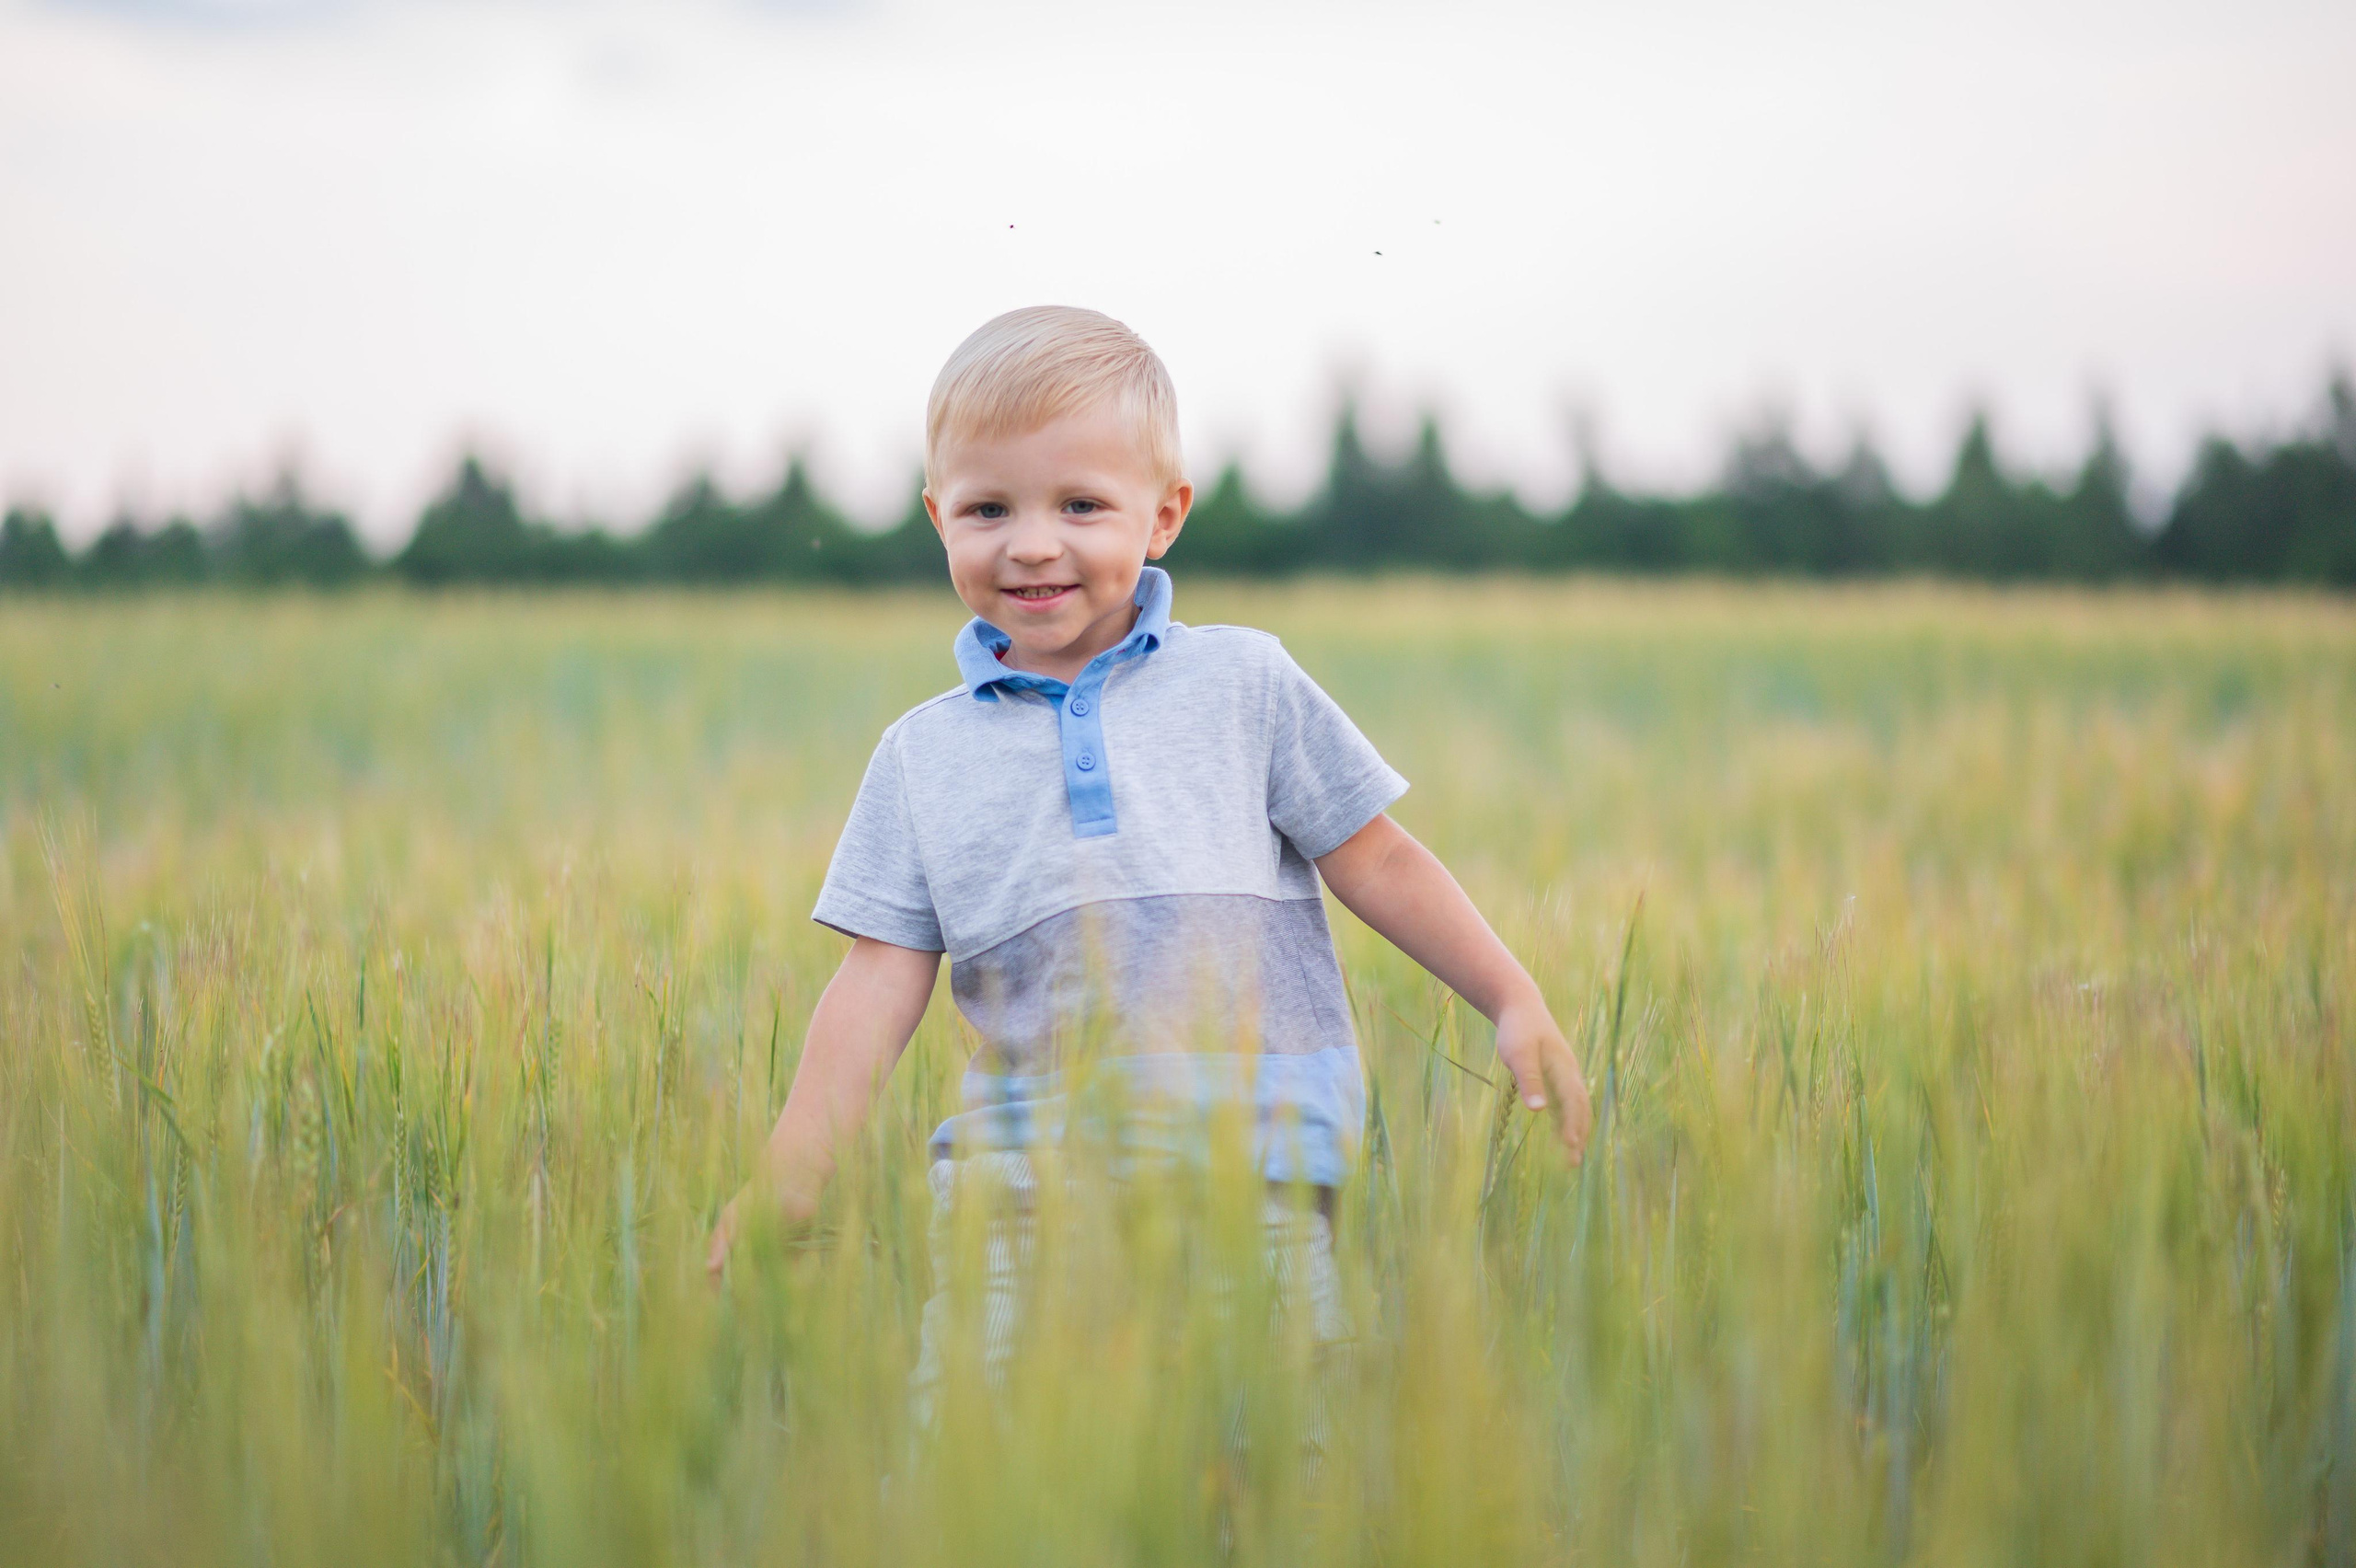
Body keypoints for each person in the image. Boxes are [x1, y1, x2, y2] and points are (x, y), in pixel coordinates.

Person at [703, 306, 1591, 1404]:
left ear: (1163, 515)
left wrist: (1509, 996)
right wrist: (793, 1167)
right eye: (988, 508)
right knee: (989, 1467)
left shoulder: (1245, 685)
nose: (1031, 543)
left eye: (1080, 504)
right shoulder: (920, 755)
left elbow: (1378, 858)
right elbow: (877, 977)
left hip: (1253, 1187)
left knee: (1276, 1465)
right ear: (938, 519)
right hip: (1016, 1201)